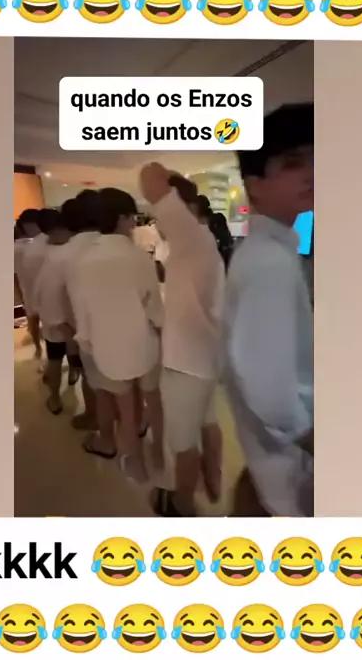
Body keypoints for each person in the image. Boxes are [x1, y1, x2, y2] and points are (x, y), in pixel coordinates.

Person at [221, 102, 314, 517]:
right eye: (293, 163)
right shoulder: (268, 262)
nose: (311, 172)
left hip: (275, 460)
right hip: (292, 466)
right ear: (255, 185)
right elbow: (269, 392)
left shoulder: (268, 251)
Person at [140, 165, 225, 517]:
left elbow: (150, 176)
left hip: (185, 363)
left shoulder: (191, 237)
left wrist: (170, 179)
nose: (158, 220)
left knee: (182, 443)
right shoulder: (199, 243)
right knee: (207, 420)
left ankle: (183, 504)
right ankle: (213, 479)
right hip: (202, 356)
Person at [71, 187, 164, 483]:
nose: (134, 224)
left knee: (126, 411)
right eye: (132, 218)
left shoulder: (84, 261)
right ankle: (159, 454)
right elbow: (154, 308)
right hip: (144, 343)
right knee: (154, 401)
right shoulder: (139, 258)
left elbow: (82, 312)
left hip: (107, 348)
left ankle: (137, 465)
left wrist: (87, 343)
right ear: (122, 218)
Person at [39, 190, 102, 429]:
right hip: (104, 328)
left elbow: (48, 297)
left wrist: (65, 331)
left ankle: (89, 414)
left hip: (71, 327)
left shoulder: (62, 255)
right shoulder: (114, 246)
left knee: (84, 372)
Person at [33, 207, 84, 414]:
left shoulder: (43, 251)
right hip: (65, 320)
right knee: (61, 359)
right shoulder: (67, 254)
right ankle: (56, 395)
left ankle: (54, 397)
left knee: (55, 358)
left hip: (56, 319)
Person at [14, 208, 44, 363]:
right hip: (41, 288)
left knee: (32, 318)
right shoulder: (41, 244)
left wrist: (19, 294)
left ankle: (38, 348)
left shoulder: (15, 248)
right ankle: (40, 349)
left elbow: (14, 276)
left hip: (27, 287)